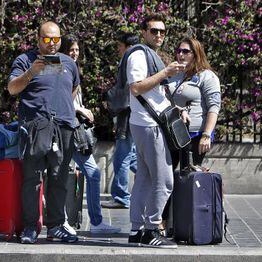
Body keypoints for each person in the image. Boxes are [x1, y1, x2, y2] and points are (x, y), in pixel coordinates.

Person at [8, 21, 79, 244]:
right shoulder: (25, 60)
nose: (51, 44)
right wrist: (31, 72)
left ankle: (56, 225)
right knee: (32, 178)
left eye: (56, 39)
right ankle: (30, 226)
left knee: (59, 178)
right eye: (47, 39)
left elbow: (74, 89)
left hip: (64, 127)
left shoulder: (69, 62)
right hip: (35, 127)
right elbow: (12, 89)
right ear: (38, 39)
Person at [126, 14, 186, 248]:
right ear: (144, 32)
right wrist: (165, 73)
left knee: (145, 178)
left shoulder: (149, 55)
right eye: (154, 31)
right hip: (148, 125)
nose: (159, 35)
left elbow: (153, 93)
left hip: (146, 123)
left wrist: (173, 107)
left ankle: (136, 230)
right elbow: (136, 87)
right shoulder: (139, 55)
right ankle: (152, 229)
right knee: (164, 180)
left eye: (162, 31)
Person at [59, 34, 121, 234]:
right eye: (71, 50)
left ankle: (66, 221)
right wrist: (79, 110)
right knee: (92, 175)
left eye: (77, 50)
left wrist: (82, 109)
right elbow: (61, 101)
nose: (75, 53)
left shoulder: (71, 69)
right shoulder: (63, 69)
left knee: (60, 175)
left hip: (73, 130)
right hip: (69, 131)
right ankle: (95, 222)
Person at [168, 37, 221, 167]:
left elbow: (214, 107)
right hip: (172, 132)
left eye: (186, 51)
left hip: (195, 135)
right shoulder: (174, 74)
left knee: (189, 175)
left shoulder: (207, 76)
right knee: (167, 174)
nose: (180, 54)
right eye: (179, 50)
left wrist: (207, 135)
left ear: (196, 54)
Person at [102, 32, 139, 209]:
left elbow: (124, 90)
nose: (118, 49)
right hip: (134, 114)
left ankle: (121, 196)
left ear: (126, 46)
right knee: (131, 157)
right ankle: (156, 180)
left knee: (121, 158)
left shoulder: (129, 60)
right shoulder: (140, 57)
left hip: (127, 114)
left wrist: (108, 97)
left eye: (119, 46)